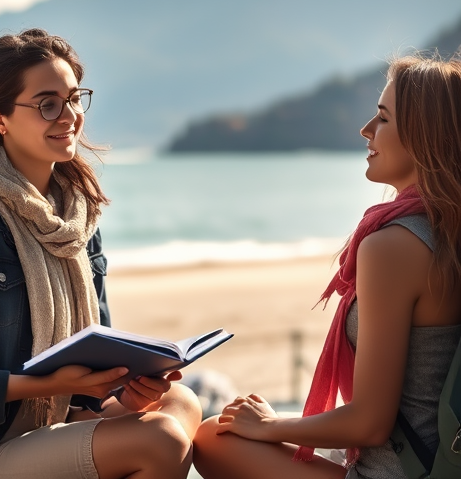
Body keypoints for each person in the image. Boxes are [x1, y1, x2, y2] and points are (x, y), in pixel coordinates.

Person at [0, 29, 202, 479]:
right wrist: (46, 384)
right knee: (162, 440)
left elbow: (94, 363)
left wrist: (126, 389)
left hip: (59, 421)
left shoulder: (77, 216)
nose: (70, 116)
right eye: (48, 104)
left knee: (182, 402)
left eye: (75, 99)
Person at [192, 54, 461, 479]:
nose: (366, 130)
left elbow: (370, 423)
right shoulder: (447, 228)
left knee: (211, 439)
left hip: (395, 472)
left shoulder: (394, 246)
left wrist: (271, 425)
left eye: (384, 119)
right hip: (441, 460)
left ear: (424, 135)